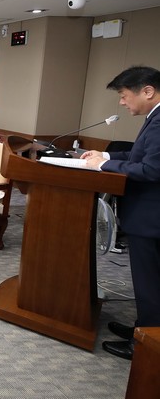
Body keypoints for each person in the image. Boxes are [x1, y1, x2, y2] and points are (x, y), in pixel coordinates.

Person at [82, 66, 160, 361]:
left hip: (151, 218)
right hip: (147, 215)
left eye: (124, 95)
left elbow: (151, 170)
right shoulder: (154, 117)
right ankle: (142, 329)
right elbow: (139, 156)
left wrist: (103, 166)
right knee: (148, 281)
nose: (122, 102)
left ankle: (145, 347)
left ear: (147, 91)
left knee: (150, 283)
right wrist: (106, 156)